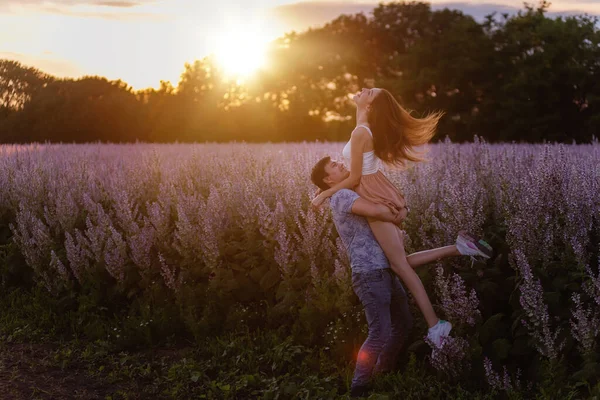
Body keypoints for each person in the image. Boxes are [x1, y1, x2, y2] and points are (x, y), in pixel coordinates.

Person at [310, 156, 493, 397]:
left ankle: (382, 370)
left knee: (403, 323)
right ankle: (359, 387)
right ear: (327, 179)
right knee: (380, 332)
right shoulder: (342, 197)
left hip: (383, 269)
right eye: (334, 166)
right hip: (369, 274)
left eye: (337, 161)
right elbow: (377, 210)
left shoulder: (345, 191)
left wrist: (398, 208)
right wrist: (398, 210)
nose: (340, 164)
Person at [312, 87, 453, 346]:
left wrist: (324, 194)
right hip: (375, 187)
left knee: (400, 265)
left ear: (371, 105)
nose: (364, 89)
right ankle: (457, 249)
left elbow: (354, 178)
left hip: (370, 191)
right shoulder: (362, 127)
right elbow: (358, 153)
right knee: (400, 261)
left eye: (370, 91)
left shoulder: (360, 132)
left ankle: (435, 325)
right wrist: (360, 110)